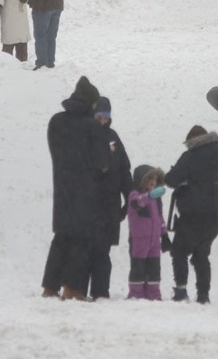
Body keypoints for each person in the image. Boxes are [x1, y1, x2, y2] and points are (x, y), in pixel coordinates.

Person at [41, 77, 110, 301]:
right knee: (82, 240)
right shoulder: (92, 127)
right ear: (91, 103)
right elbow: (102, 162)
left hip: (62, 188)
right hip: (86, 192)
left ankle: (50, 287)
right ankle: (74, 289)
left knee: (61, 238)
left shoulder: (56, 121)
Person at [166, 125, 218, 304]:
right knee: (201, 254)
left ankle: (181, 291)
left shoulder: (190, 156)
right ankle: (203, 295)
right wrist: (214, 198)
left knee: (180, 251)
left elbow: (171, 180)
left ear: (191, 142)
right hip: (214, 216)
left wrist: (190, 192)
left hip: (192, 214)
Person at [87, 97, 131, 300]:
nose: (103, 120)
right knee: (85, 250)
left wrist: (128, 200)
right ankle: (77, 290)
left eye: (106, 117)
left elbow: (124, 170)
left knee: (103, 252)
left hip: (110, 204)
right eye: (99, 116)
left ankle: (100, 292)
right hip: (89, 204)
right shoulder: (85, 136)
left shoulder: (113, 137)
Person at [126, 164, 169, 300]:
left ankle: (153, 293)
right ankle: (136, 294)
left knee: (154, 268)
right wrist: (149, 196)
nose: (153, 181)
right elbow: (137, 203)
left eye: (155, 179)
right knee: (138, 267)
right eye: (150, 178)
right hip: (139, 240)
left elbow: (159, 218)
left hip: (154, 241)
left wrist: (165, 235)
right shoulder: (135, 195)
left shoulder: (156, 200)